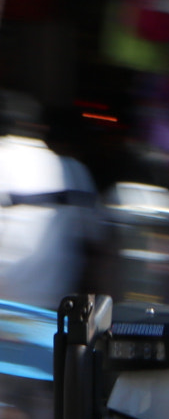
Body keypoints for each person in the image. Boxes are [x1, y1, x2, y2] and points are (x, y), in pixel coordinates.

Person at [0, 91, 99, 313]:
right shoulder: (74, 171)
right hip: (55, 314)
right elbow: (97, 244)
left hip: (5, 312)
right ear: (40, 128)